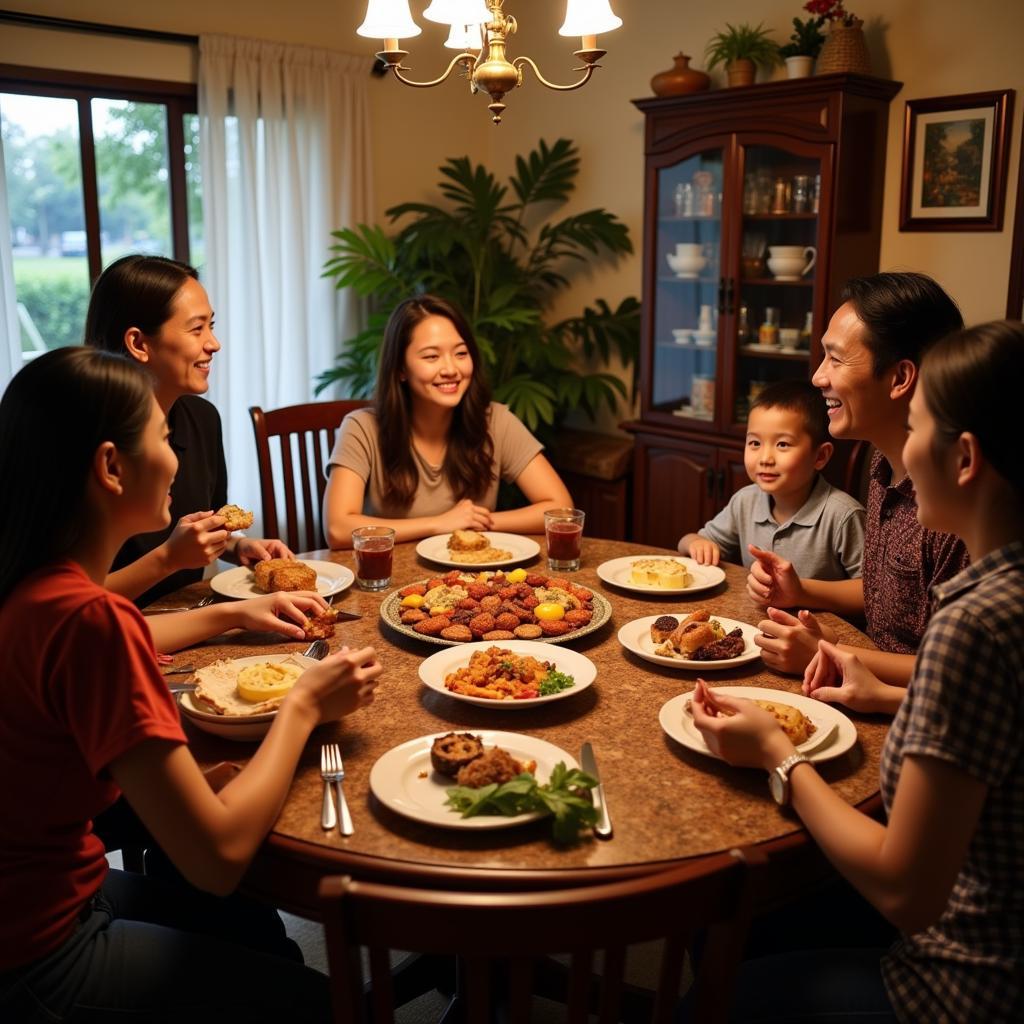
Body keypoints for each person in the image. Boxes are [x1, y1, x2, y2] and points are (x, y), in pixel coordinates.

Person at [0, 347, 382, 1022]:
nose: (178, 454)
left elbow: (106, 654)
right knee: (325, 1004)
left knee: (255, 932)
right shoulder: (92, 620)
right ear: (111, 467)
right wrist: (303, 705)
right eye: (162, 437)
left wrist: (232, 612)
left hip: (51, 891)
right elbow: (219, 859)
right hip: (39, 950)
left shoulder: (35, 587)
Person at [692, 320, 1024, 1023]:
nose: (902, 453)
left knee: (709, 989)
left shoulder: (974, 624)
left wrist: (778, 755)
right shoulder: (1003, 594)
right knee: (725, 923)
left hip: (955, 981)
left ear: (963, 458)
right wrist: (880, 688)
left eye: (917, 428)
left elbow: (907, 892)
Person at [746, 273, 968, 697]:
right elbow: (887, 595)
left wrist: (826, 650)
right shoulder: (883, 460)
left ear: (900, 378)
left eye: (835, 359)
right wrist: (801, 590)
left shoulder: (955, 503)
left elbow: (957, 670)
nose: (817, 377)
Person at [85, 254, 292, 606]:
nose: (214, 343)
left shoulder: (202, 418)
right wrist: (168, 559)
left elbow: (202, 521)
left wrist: (237, 544)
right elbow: (65, 602)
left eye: (211, 326)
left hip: (185, 617)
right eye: (197, 329)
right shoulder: (85, 443)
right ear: (138, 343)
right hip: (110, 636)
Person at [322, 294, 573, 548]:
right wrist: (438, 523)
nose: (451, 369)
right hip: (390, 578)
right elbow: (338, 529)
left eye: (461, 353)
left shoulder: (496, 421)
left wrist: (473, 522)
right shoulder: (362, 428)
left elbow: (561, 510)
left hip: (475, 579)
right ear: (400, 368)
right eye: (431, 357)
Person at [678, 379, 864, 579]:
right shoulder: (745, 501)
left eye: (783, 444)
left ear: (820, 456)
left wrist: (802, 593)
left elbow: (869, 593)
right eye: (755, 443)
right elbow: (689, 541)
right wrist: (696, 544)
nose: (765, 459)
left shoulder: (843, 516)